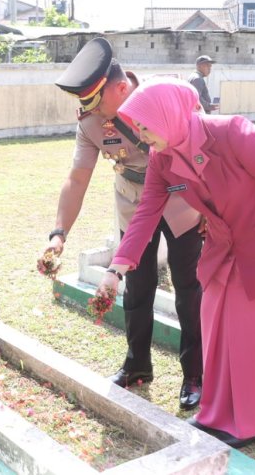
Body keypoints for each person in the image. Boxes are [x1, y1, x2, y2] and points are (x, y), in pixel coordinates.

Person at [97, 78, 255, 448]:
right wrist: (115, 269)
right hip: (222, 249)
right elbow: (145, 213)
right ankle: (217, 415)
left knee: (253, 337)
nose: (140, 135)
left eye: (143, 125)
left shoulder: (231, 132)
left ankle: (252, 423)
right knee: (216, 329)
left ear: (166, 115)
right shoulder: (163, 159)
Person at [42, 38, 204, 409]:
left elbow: (203, 151)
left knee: (189, 287)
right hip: (134, 203)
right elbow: (77, 178)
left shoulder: (163, 94)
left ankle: (195, 372)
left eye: (96, 102)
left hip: (182, 202)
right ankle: (137, 365)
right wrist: (58, 234)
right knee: (137, 286)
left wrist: (209, 211)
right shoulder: (91, 123)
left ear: (120, 88)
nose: (93, 112)